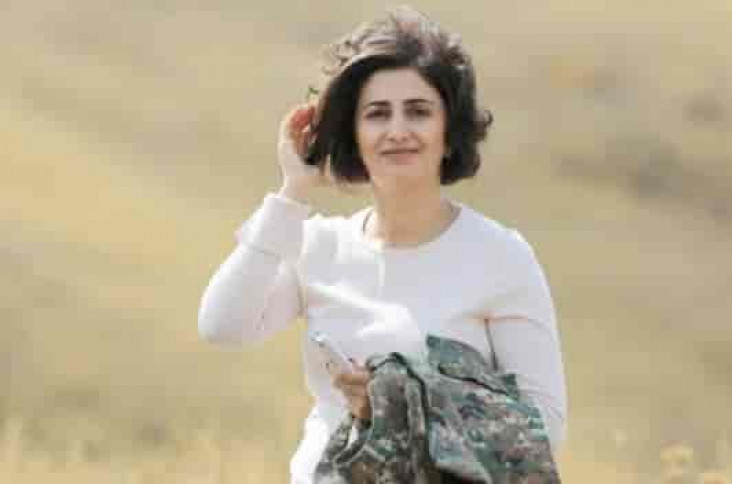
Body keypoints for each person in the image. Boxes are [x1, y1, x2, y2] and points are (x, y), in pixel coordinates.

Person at [198, 6, 567, 483]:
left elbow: (544, 429)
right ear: (353, 135)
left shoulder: (501, 257)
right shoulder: (320, 247)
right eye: (376, 114)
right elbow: (222, 326)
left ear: (449, 132)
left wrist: (395, 401)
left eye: (418, 111)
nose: (397, 131)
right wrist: (292, 191)